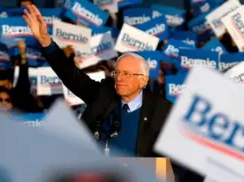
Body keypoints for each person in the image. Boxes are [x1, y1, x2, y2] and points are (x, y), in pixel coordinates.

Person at [23, 5, 172, 157]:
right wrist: (46, 42)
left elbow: (176, 159)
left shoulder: (161, 109)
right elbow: (70, 75)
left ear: (143, 80)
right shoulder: (103, 94)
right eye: (117, 72)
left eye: (126, 74)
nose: (119, 78)